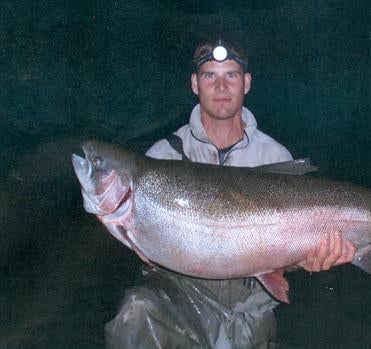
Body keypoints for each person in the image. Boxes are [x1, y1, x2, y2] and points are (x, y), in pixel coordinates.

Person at [105, 38, 356, 349]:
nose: (221, 86)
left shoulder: (275, 157)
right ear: (195, 84)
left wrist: (308, 258)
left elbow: (283, 254)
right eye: (210, 75)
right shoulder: (161, 158)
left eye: (231, 75)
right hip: (182, 299)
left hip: (249, 303)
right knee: (135, 314)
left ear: (247, 83)